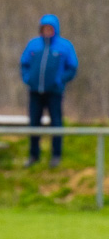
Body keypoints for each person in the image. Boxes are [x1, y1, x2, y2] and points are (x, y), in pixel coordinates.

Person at [20, 14, 78, 168]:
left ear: (55, 29)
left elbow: (72, 67)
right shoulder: (33, 45)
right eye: (44, 28)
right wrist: (28, 79)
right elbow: (24, 63)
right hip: (35, 92)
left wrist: (60, 80)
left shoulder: (64, 46)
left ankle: (56, 155)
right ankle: (33, 155)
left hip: (54, 93)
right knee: (34, 123)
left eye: (50, 28)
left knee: (56, 123)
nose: (47, 31)